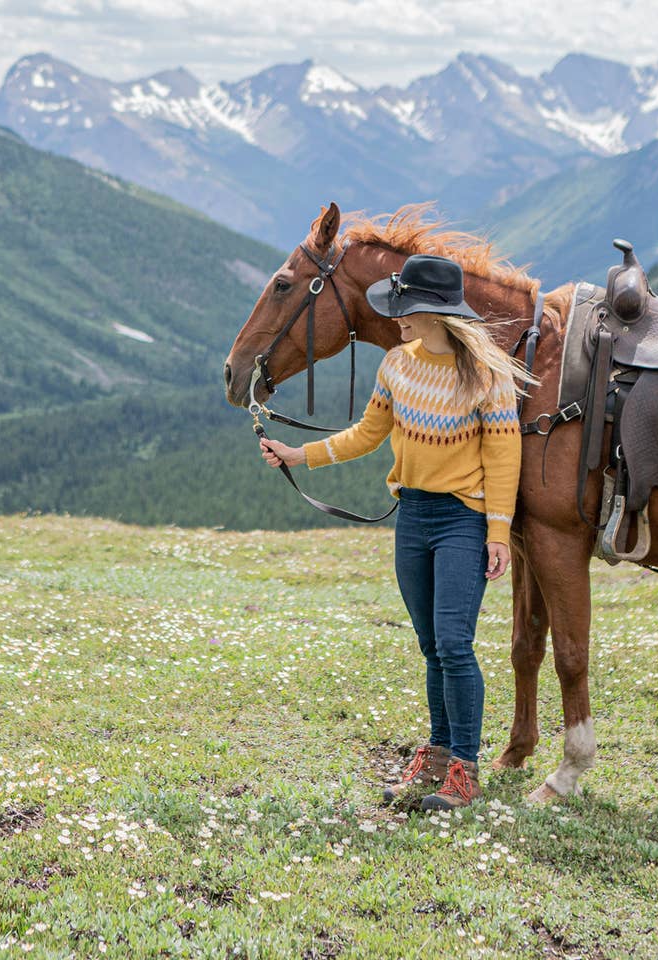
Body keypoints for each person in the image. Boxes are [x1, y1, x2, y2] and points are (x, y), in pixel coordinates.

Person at [260, 254, 529, 810]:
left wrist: (498, 532)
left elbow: (504, 457)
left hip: (463, 519)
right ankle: (435, 756)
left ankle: (464, 769)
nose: (397, 319)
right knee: (431, 645)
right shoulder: (398, 366)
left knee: (454, 643)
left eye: (405, 310)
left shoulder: (488, 375)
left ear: (435, 313)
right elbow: (365, 435)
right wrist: (297, 455)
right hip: (412, 517)